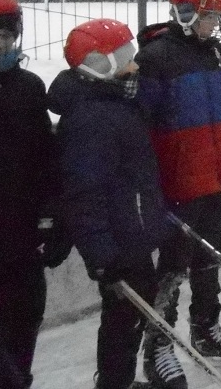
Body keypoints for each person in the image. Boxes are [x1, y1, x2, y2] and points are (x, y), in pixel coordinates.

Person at [135, 0, 221, 388]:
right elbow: (141, 128)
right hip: (177, 185)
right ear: (185, 15)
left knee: (210, 261)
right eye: (210, 17)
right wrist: (150, 187)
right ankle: (159, 345)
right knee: (172, 269)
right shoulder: (156, 58)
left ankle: (205, 328)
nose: (216, 26)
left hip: (214, 180)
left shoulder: (216, 52)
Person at [50, 19, 170, 389]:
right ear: (96, 64)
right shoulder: (91, 117)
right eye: (122, 57)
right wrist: (102, 255)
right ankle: (115, 382)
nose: (133, 65)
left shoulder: (117, 101)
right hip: (117, 243)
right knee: (123, 317)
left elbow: (133, 173)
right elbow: (83, 194)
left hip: (131, 230)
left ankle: (120, 379)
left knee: (133, 312)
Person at [0, 0, 69, 389]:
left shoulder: (29, 87)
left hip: (23, 234)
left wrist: (54, 218)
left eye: (5, 38)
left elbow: (46, 158)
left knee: (26, 315)